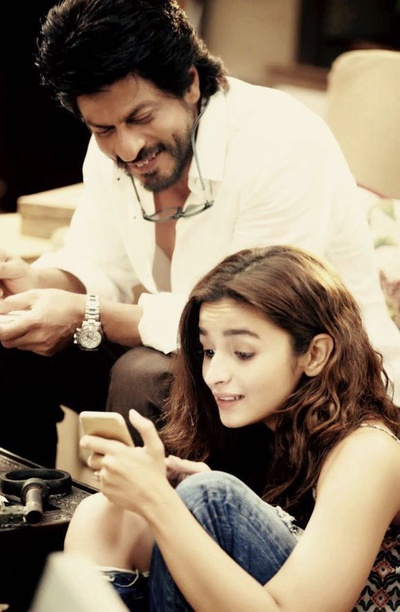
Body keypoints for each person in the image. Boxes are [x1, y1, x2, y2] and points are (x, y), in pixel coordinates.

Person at [0, 0, 399, 467]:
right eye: (103, 128)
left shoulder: (280, 142)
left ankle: (149, 515)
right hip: (211, 373)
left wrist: (88, 316)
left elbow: (246, 322)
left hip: (311, 394)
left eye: (141, 118)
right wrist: (32, 289)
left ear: (190, 83)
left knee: (145, 375)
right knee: (11, 337)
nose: (127, 148)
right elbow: (97, 263)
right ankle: (27, 504)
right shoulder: (111, 150)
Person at [64, 245, 400, 611]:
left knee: (209, 497)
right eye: (208, 351)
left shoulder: (369, 451)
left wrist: (159, 502)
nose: (215, 375)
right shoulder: (261, 433)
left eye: (242, 353)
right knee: (104, 515)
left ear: (315, 354)